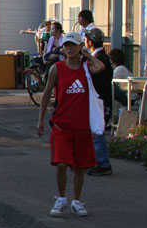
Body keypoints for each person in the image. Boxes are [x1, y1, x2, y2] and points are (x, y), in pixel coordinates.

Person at [36, 31, 105, 217]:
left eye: (73, 45)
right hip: (61, 124)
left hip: (82, 124)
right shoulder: (57, 68)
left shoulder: (85, 67)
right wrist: (41, 120)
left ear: (80, 46)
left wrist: (89, 56)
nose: (69, 48)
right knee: (61, 164)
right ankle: (60, 198)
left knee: (80, 166)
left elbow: (100, 67)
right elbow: (46, 94)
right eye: (67, 45)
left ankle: (77, 201)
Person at [85, 28, 113, 177]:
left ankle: (103, 163)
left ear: (90, 41)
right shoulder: (103, 56)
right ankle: (95, 161)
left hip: (99, 100)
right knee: (94, 131)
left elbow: (96, 77)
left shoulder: (99, 59)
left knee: (97, 131)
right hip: (101, 99)